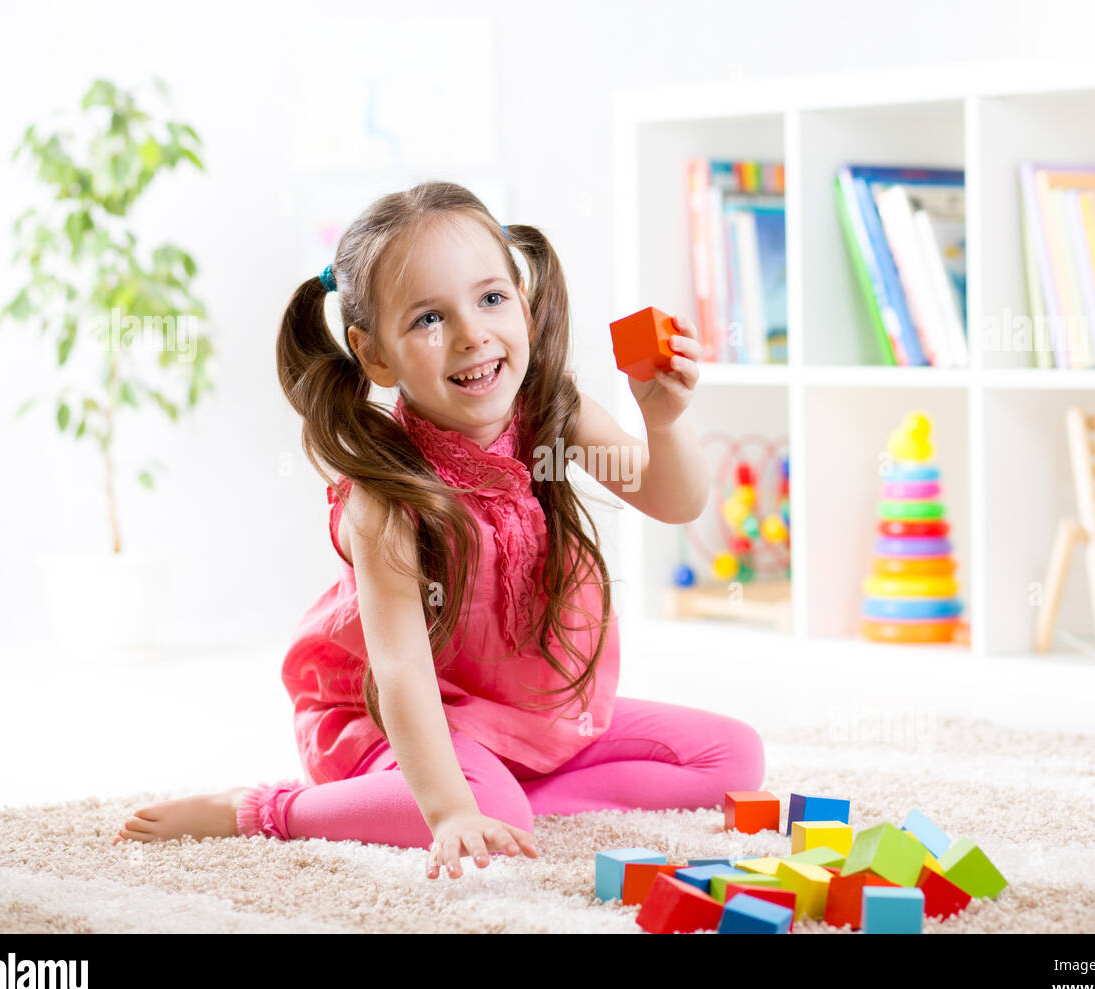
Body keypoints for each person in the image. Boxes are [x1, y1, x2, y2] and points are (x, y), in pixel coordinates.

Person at [112, 181, 765, 880]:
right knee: (481, 813)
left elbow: (675, 499)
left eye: (491, 299)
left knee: (732, 757)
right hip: (402, 717)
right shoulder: (385, 496)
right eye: (429, 318)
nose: (471, 334)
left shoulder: (553, 409)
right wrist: (451, 810)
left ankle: (504, 795)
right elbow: (400, 673)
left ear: (521, 296)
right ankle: (270, 809)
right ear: (376, 355)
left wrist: (662, 422)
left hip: (523, 712)